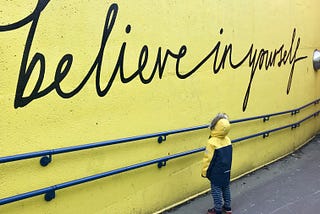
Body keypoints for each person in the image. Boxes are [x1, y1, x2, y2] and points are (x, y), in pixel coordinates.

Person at [201, 113, 233, 214]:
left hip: (216, 172)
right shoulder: (228, 140)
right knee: (226, 187)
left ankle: (217, 209)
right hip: (226, 170)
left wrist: (204, 172)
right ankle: (227, 207)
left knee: (216, 190)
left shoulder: (212, 142)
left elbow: (208, 158)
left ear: (214, 126)